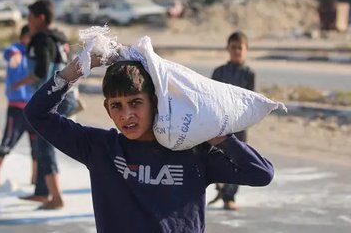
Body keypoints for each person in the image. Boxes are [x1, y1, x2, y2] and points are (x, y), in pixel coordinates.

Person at [23, 54, 274, 232]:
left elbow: (261, 173)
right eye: (116, 106)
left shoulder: (193, 152)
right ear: (107, 110)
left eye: (135, 103)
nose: (126, 115)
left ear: (155, 102)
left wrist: (215, 134)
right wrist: (76, 69)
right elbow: (37, 114)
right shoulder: (100, 148)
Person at [14, 0, 76, 209]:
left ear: (40, 18)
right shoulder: (60, 37)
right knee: (42, 144)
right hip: (67, 96)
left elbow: (41, 72)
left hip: (52, 100)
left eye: (30, 17)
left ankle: (56, 198)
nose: (28, 21)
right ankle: (42, 192)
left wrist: (20, 82)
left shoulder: (40, 38)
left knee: (44, 144)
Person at [210, 31, 256, 210]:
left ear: (246, 50)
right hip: (220, 122)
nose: (237, 51)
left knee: (238, 158)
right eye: (233, 47)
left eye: (240, 48)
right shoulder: (219, 72)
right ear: (227, 48)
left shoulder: (249, 74)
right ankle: (219, 187)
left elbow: (251, 99)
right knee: (217, 156)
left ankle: (229, 196)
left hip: (240, 124)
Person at [0, 25, 38, 187]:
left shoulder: (36, 53)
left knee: (36, 146)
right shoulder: (15, 49)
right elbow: (9, 53)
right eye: (28, 37)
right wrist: (15, 56)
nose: (31, 41)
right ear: (23, 37)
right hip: (17, 108)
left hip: (34, 109)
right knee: (7, 142)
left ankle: (35, 177)